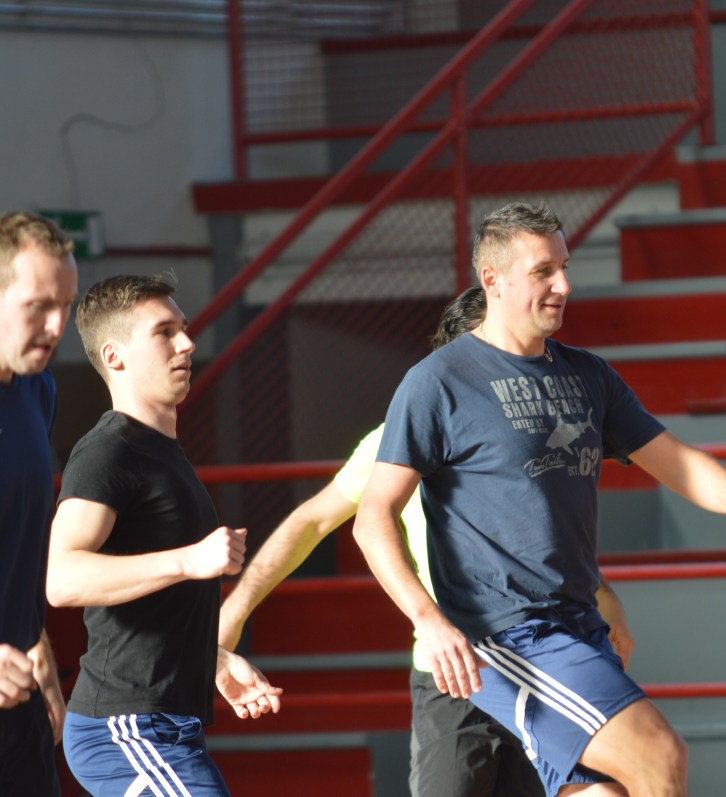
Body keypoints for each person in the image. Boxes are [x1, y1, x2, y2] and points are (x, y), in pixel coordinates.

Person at [353, 201, 726, 796]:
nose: (564, 286)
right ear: (493, 279)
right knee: (659, 755)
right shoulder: (439, 381)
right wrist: (428, 620)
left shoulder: (588, 375)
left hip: (578, 625)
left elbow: (672, 459)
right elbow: (372, 517)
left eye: (564, 267)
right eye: (543, 271)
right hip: (509, 634)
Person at [219, 285, 637, 796]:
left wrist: (606, 602)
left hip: (546, 658)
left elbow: (548, 544)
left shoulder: (533, 435)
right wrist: (235, 610)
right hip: (456, 670)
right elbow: (311, 522)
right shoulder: (395, 441)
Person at [46, 274, 283, 797]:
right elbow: (61, 579)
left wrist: (213, 661)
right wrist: (187, 560)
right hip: (124, 729)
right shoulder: (108, 451)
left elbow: (153, 612)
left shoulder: (160, 450)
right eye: (165, 332)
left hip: (164, 725)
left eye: (184, 328)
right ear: (115, 356)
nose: (188, 343)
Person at [0, 212, 77, 795]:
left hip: (17, 700)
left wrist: (39, 644)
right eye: (38, 306)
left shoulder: (38, 389)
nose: (56, 326)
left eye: (66, 306)